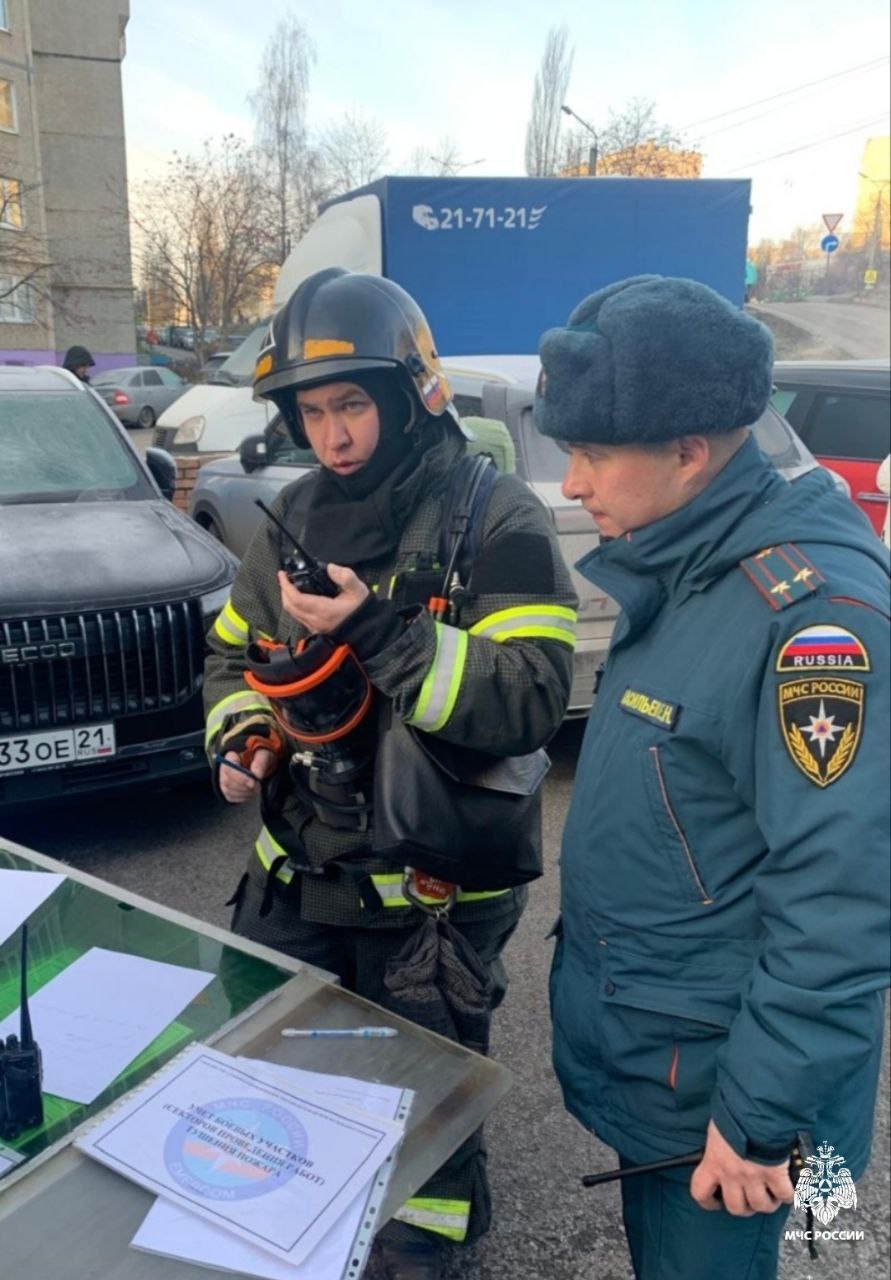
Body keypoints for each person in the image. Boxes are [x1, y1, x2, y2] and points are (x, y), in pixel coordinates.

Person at [203, 268, 577, 1280]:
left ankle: (423, 1255)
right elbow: (231, 655)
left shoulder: (493, 519)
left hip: (431, 898)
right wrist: (243, 735)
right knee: (290, 1095)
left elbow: (533, 694)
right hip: (299, 877)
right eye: (313, 412)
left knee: (426, 1135)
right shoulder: (290, 520)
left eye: (352, 405)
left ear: (415, 395)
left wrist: (377, 629)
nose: (333, 436)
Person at [534, 275, 890, 1280]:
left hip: (724, 1105)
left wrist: (761, 1117)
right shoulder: (682, 563)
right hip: (672, 1060)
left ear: (690, 452)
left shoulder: (809, 618)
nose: (572, 483)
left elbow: (842, 901)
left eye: (594, 453)